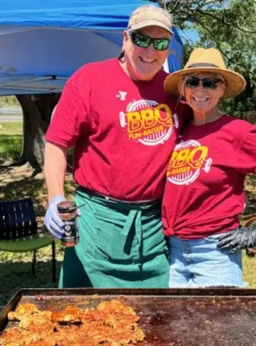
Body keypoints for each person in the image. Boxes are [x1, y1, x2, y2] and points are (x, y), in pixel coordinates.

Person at [43, 4, 183, 288]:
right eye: (142, 39)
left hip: (153, 226)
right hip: (96, 222)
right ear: (125, 39)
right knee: (84, 317)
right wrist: (55, 197)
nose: (150, 50)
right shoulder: (89, 79)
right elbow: (57, 143)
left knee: (155, 321)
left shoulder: (174, 90)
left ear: (169, 48)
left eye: (161, 42)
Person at [161, 48, 256, 288]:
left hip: (215, 253)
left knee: (216, 323)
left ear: (222, 89)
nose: (200, 90)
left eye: (210, 83)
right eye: (192, 81)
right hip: (172, 251)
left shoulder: (239, 132)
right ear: (183, 88)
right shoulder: (179, 127)